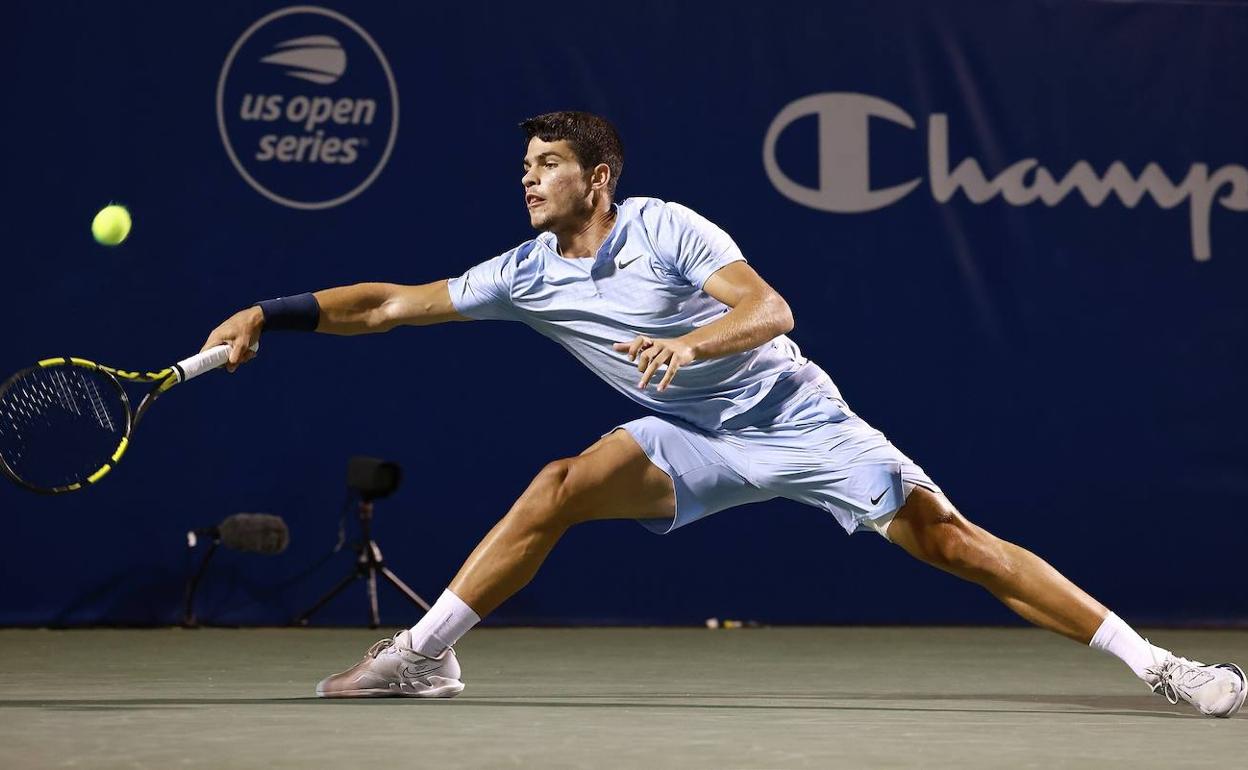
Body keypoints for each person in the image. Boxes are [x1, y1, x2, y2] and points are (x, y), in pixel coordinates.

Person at [201, 111, 1244, 717]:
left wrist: (691, 343)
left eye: (547, 164)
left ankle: (1157, 664)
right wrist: (269, 313)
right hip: (692, 443)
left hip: (796, 419)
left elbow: (772, 307)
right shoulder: (522, 272)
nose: (527, 177)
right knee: (557, 485)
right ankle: (427, 650)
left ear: (596, 178)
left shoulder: (665, 229)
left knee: (956, 542)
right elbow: (387, 305)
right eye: (523, 166)